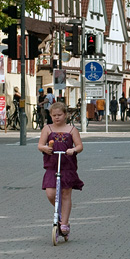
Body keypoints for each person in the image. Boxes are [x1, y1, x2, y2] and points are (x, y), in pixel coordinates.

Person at [38, 102, 84, 239]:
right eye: (54, 115)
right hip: (52, 164)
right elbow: (40, 144)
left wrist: (73, 150)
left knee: (65, 193)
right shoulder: (47, 129)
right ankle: (61, 211)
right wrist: (44, 148)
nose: (56, 118)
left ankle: (64, 223)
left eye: (59, 115)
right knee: (50, 193)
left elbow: (80, 146)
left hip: (67, 164)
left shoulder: (71, 130)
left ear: (65, 115)